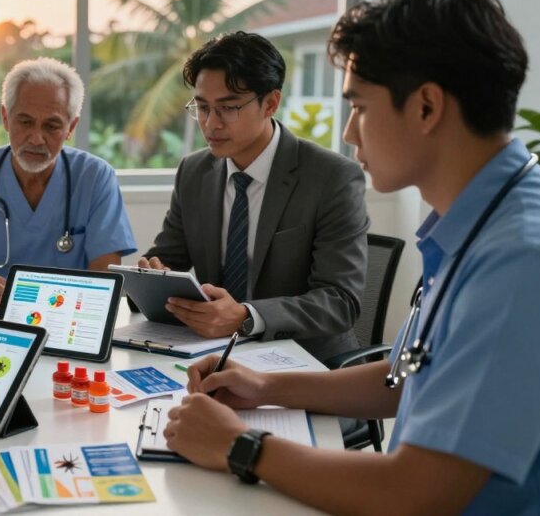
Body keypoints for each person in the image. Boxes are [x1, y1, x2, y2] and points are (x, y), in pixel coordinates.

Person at [165, 0, 540, 514]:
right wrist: (264, 386)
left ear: (426, 107)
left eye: (359, 106)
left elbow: (420, 492)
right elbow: (403, 381)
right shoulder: (475, 223)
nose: (350, 133)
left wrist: (239, 446)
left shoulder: (522, 258)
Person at [139, 31, 369, 361]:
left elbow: (339, 301)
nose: (210, 124)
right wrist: (155, 274)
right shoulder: (194, 171)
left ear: (271, 103)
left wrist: (247, 317)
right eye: (202, 108)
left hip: (308, 362)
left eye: (228, 107)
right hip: (214, 356)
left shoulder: (331, 177)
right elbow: (168, 256)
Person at [0, 57, 136, 308]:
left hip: (66, 318)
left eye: (51, 126)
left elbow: (106, 276)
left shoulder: (96, 177)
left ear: (71, 127)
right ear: (5, 117)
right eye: (25, 122)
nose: (36, 138)